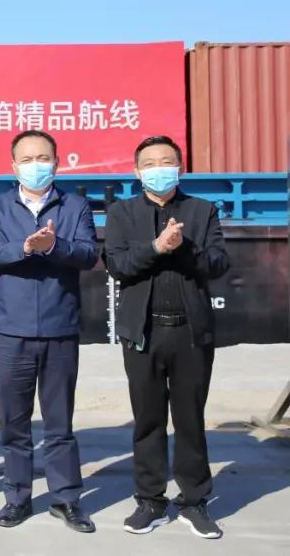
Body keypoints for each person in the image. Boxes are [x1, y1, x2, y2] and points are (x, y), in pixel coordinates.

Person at [103, 136, 230, 539]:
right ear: (137, 171)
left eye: (167, 162)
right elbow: (118, 265)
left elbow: (218, 263)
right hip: (143, 332)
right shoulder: (122, 213)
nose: (159, 169)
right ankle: (150, 500)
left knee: (190, 419)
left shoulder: (202, 210)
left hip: (190, 333)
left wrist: (184, 248)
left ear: (180, 167)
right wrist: (157, 247)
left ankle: (194, 501)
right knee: (148, 419)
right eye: (150, 163)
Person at [0, 129, 98, 533]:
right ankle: (17, 498)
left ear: (57, 163)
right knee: (15, 424)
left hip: (61, 331)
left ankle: (66, 499)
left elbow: (88, 254)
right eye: (27, 159)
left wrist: (54, 246)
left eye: (43, 158)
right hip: (12, 333)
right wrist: (25, 248)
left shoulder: (75, 205)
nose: (35, 166)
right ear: (14, 166)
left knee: (59, 425)